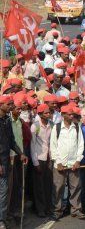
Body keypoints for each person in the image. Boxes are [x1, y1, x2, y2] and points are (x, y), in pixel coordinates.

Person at [50, 105, 84, 220]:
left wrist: (78, 160)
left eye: (72, 114)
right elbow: (53, 146)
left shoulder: (77, 127)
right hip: (60, 164)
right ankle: (57, 211)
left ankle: (76, 209)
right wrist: (58, 162)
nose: (71, 116)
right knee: (58, 188)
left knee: (76, 187)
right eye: (69, 115)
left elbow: (80, 145)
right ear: (63, 115)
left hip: (73, 163)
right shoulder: (57, 128)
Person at [0, 96, 28, 229]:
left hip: (5, 160)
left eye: (12, 103)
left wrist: (21, 153)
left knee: (4, 192)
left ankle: (2, 220)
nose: (11, 106)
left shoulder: (7, 120)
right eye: (9, 104)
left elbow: (11, 141)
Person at [31, 103, 55, 219]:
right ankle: (40, 209)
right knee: (39, 186)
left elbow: (52, 142)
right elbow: (32, 145)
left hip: (49, 157)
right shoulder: (35, 126)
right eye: (46, 113)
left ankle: (48, 207)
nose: (48, 114)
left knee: (48, 185)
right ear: (40, 114)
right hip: (39, 158)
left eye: (49, 112)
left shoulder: (52, 124)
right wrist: (35, 162)